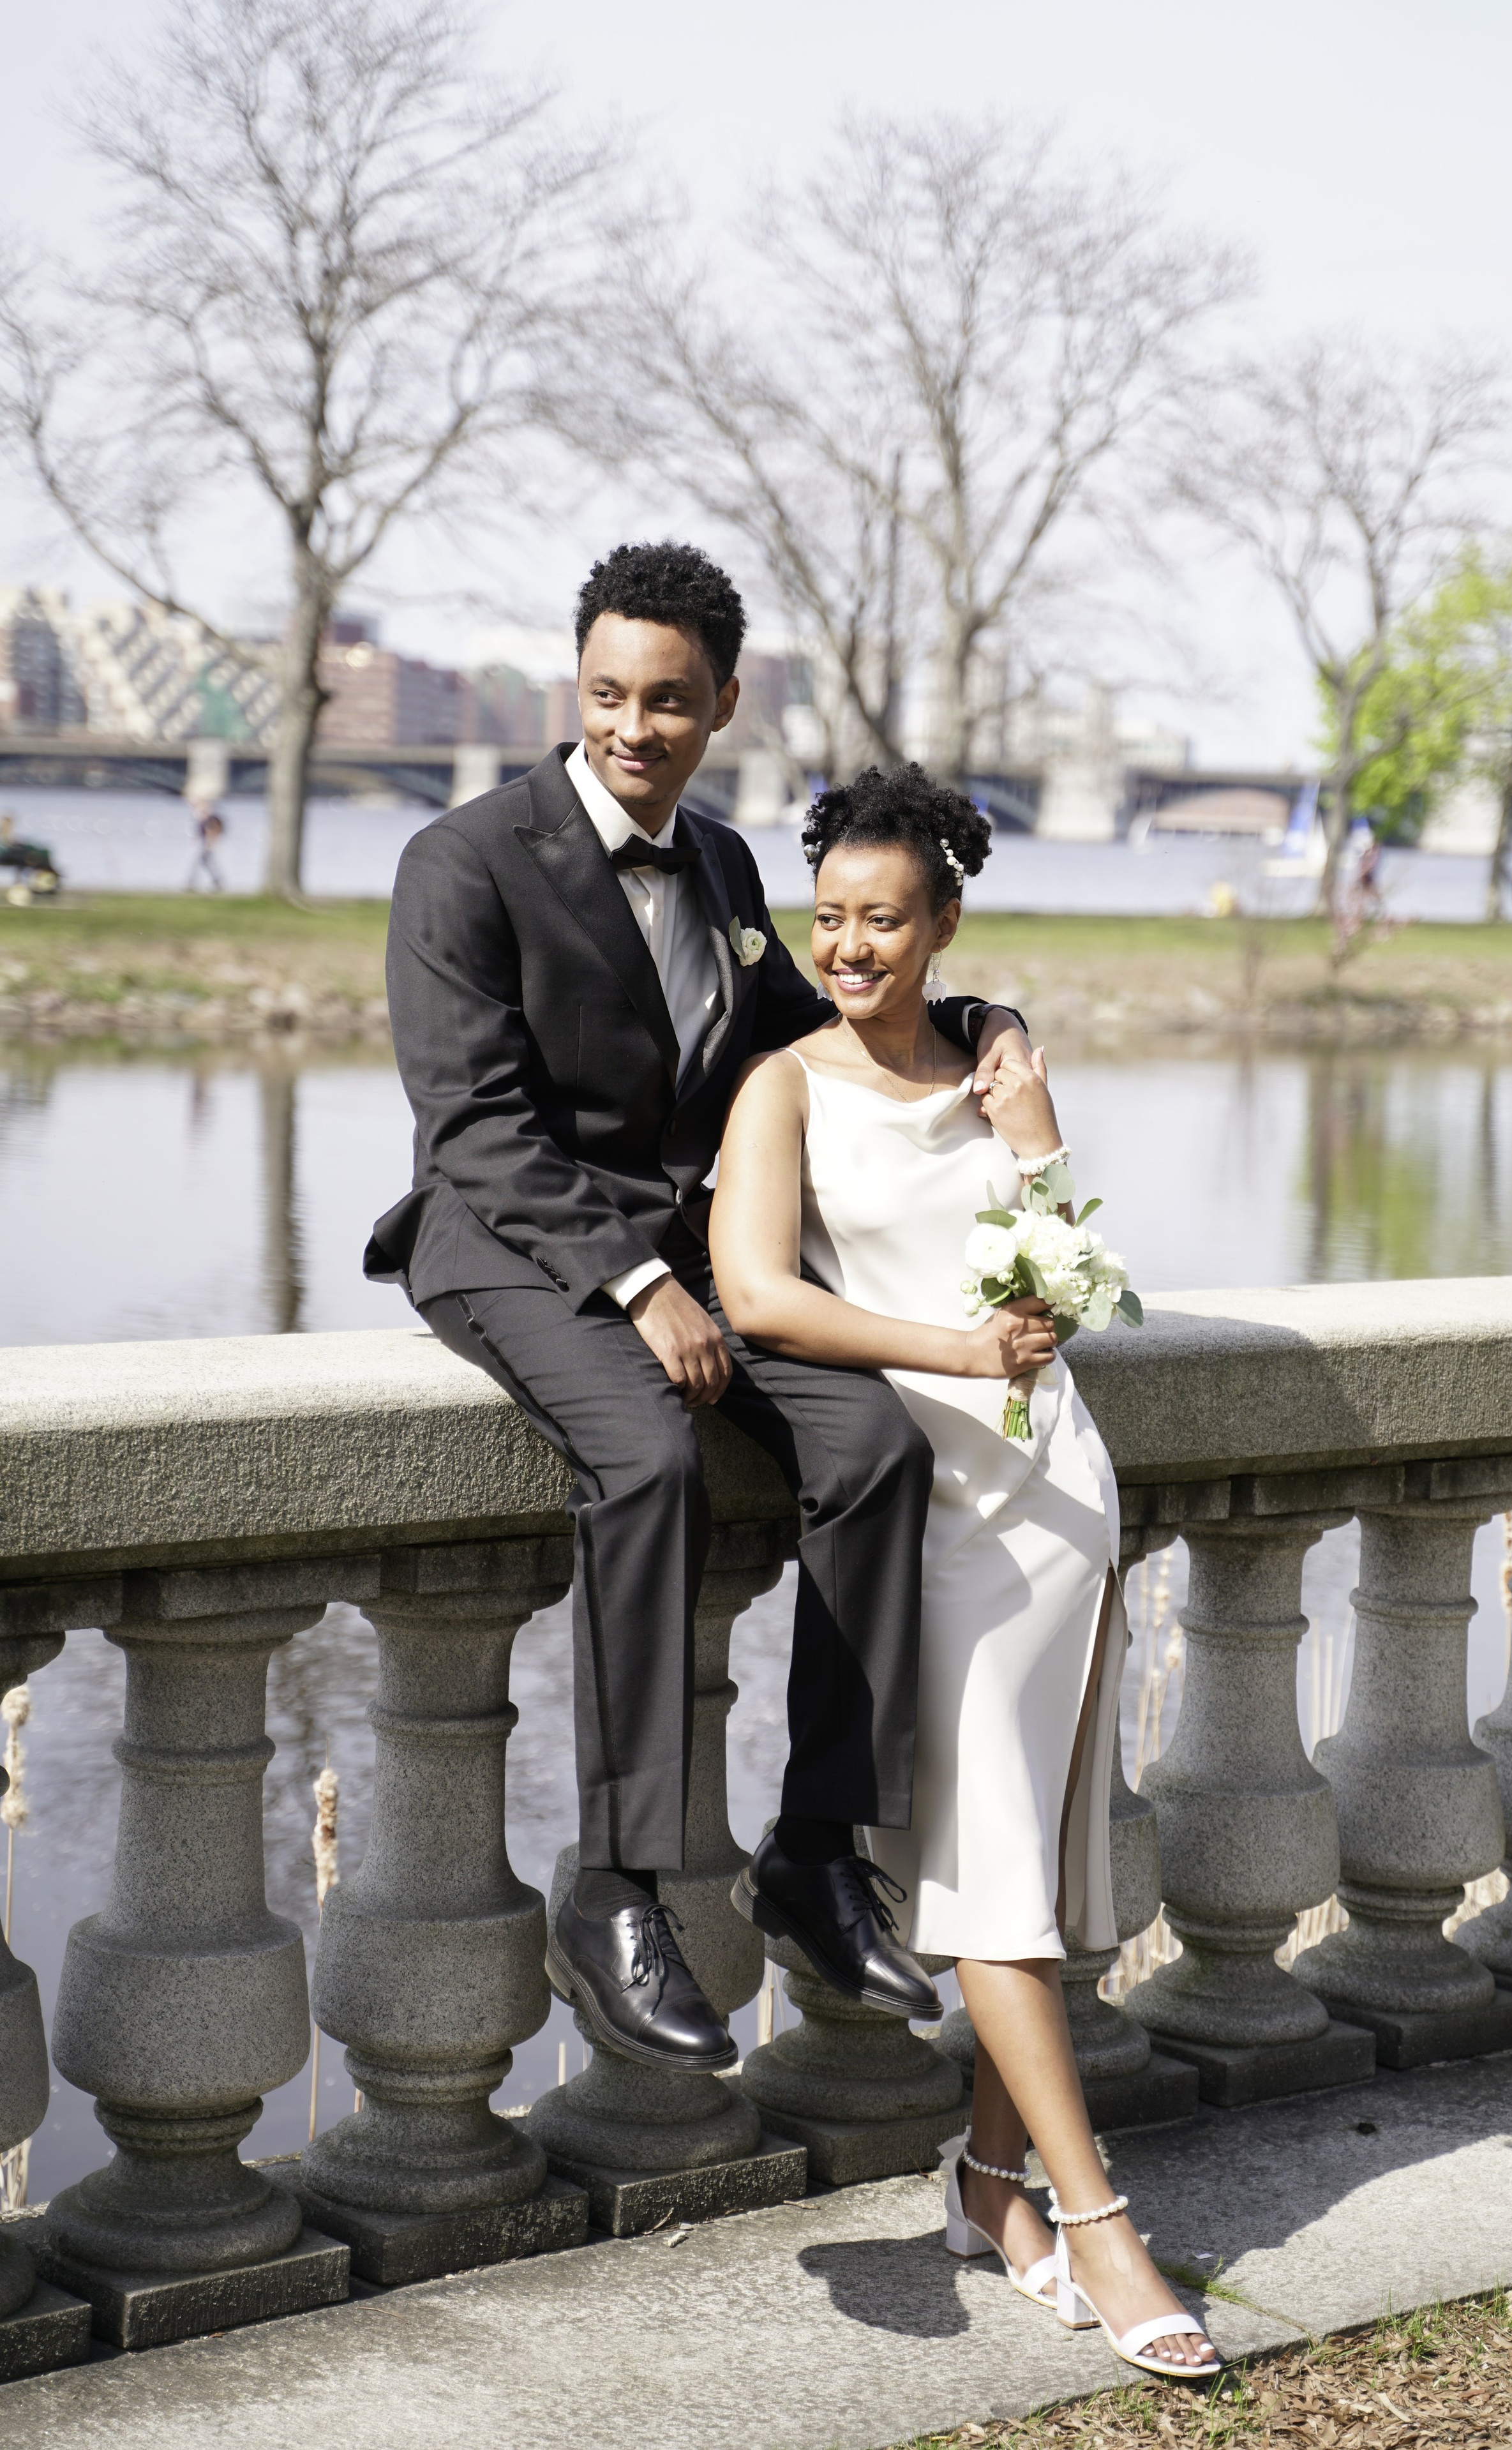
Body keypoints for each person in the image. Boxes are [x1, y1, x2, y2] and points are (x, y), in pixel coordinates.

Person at [364, 540, 1033, 2076]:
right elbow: (473, 1124)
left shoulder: (724, 866)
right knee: (652, 1462)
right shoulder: (461, 859)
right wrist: (641, 1280)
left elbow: (804, 1028)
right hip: (508, 1243)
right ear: (575, 685)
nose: (632, 725)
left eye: (667, 699)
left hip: (684, 1248)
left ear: (722, 704)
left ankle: (811, 1851)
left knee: (874, 1448)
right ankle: (615, 1887)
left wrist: (976, 1016)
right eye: (607, 692)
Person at [710, 764, 1220, 2381]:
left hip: (1058, 1489)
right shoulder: (781, 1086)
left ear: (942, 922)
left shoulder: (998, 1062)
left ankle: (992, 2184)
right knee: (993, 1866)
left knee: (1042, 1867)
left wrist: (1035, 1133)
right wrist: (951, 1352)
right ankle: (1098, 2220)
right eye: (828, 918)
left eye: (882, 920)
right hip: (928, 1507)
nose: (848, 947)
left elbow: (1065, 1265)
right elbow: (756, 1295)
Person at [185, 800, 227, 892]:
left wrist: (209, 844)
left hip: (208, 845)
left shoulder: (211, 821)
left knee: (200, 863)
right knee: (206, 863)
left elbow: (212, 832)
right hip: (206, 844)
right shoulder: (207, 820)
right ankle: (217, 881)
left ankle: (192, 883)